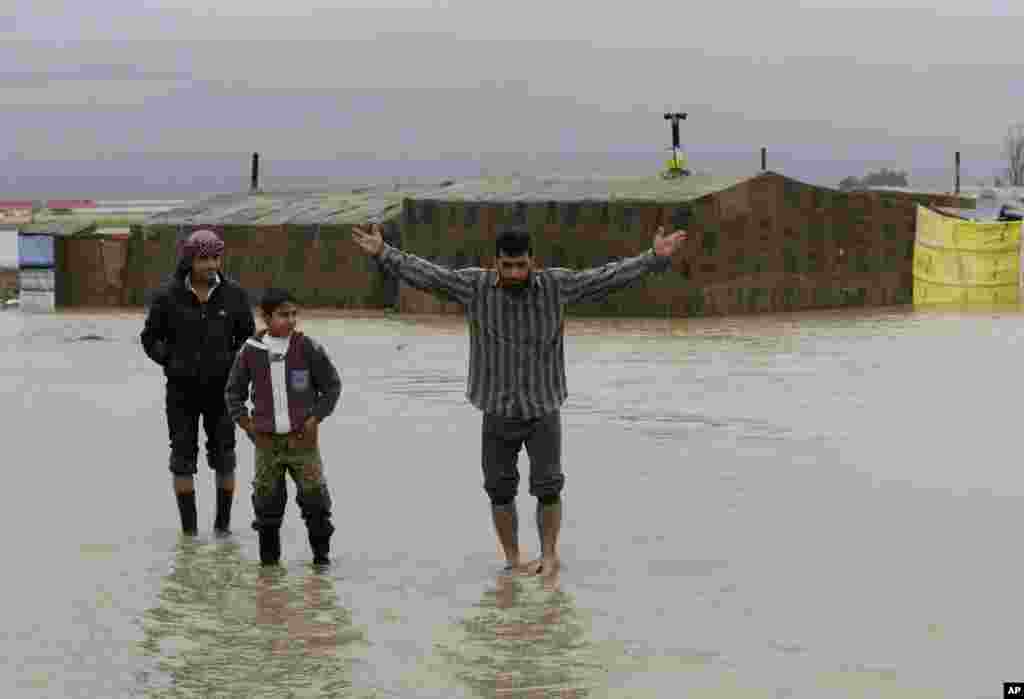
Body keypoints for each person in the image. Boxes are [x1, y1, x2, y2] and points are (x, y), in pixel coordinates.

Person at [351, 222, 688, 576]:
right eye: (507, 266)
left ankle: (549, 554)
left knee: (548, 487)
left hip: (543, 408)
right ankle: (512, 559)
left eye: (521, 265)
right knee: (499, 491)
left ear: (533, 262)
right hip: (496, 410)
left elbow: (606, 278)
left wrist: (653, 258)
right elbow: (429, 276)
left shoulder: (556, 286)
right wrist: (383, 252)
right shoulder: (475, 287)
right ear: (495, 263)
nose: (514, 273)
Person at [140, 229, 255, 536]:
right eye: (204, 259)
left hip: (222, 393)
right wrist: (171, 361)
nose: (210, 265)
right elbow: (150, 338)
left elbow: (248, 339)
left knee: (225, 456)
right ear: (190, 259)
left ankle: (223, 527)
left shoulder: (235, 295)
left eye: (216, 257)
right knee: (182, 458)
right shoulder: (168, 295)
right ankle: (189, 534)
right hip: (181, 392)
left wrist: (233, 367)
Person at [224, 287, 342, 566]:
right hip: (266, 445)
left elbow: (332, 386)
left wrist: (316, 419)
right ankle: (269, 571)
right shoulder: (250, 351)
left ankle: (321, 563)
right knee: (266, 507)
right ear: (265, 318)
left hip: (304, 442)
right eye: (282, 315)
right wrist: (248, 427)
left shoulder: (308, 347)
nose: (290, 320)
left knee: (315, 503)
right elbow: (232, 393)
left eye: (294, 314)